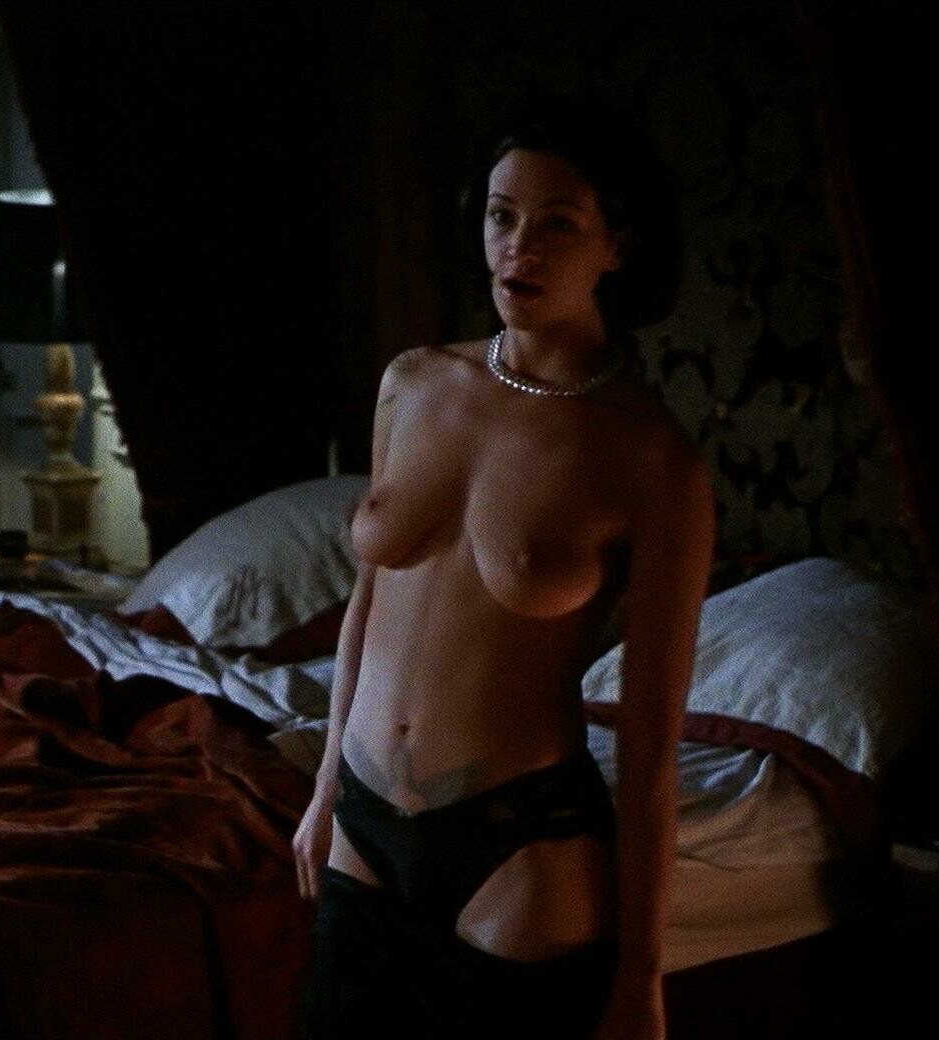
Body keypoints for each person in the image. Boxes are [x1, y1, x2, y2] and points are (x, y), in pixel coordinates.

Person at [295, 107, 712, 1040]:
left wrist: (642, 979)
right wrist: (324, 789)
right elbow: (370, 598)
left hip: (519, 846)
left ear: (617, 246)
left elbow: (652, 744)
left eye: (558, 222)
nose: (519, 246)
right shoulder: (412, 382)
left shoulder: (651, 461)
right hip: (362, 821)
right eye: (501, 216)